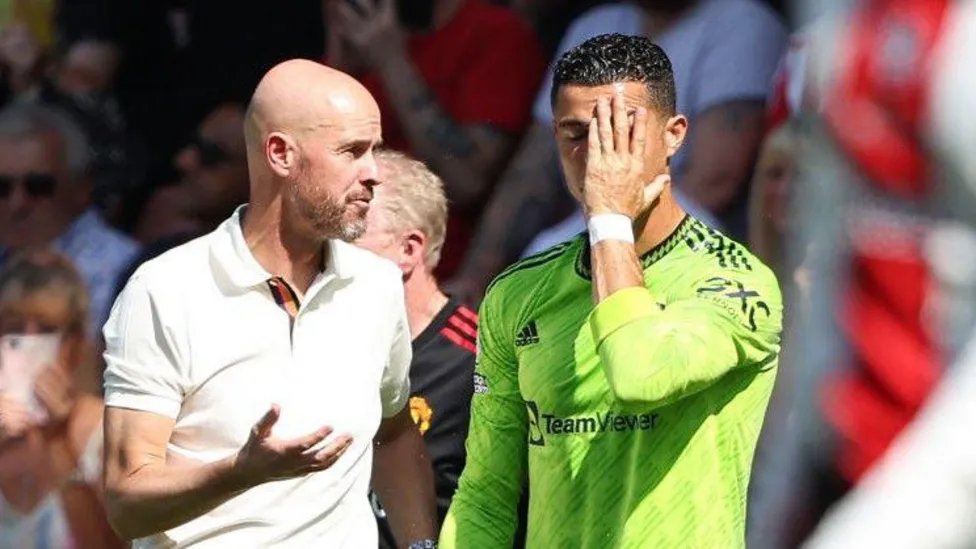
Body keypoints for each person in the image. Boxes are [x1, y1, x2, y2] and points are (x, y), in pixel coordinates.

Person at [439, 34, 783, 548]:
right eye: (577, 134)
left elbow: (641, 372)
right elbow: (486, 493)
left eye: (620, 132)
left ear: (674, 135)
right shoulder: (517, 292)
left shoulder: (735, 280)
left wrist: (608, 218)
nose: (598, 157)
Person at [100, 59, 438, 548]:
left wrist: (421, 545)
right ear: (280, 154)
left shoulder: (376, 284)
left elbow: (395, 432)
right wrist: (240, 473)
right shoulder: (165, 289)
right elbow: (126, 505)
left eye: (375, 150)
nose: (374, 174)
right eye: (352, 151)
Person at [448, 0, 787, 305]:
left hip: (689, 258)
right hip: (582, 240)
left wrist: (608, 240)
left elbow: (715, 182)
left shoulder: (743, 20)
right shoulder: (595, 24)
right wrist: (475, 278)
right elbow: (532, 173)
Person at [324, 0, 546, 278]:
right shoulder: (356, 43)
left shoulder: (496, 34)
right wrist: (338, 64)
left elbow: (466, 178)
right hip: (337, 263)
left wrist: (390, 58)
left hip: (429, 275)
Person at [354, 148, 491, 548]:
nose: (323, 257)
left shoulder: (479, 363)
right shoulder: (317, 346)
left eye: (348, 237)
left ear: (409, 250)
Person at [0, 249, 122, 548]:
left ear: (76, 344)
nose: (29, 345)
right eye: (15, 330)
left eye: (46, 330)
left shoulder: (104, 427)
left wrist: (59, 441)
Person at [0, 102, 140, 337]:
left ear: (81, 189)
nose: (17, 203)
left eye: (38, 186)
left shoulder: (120, 271)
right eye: (2, 187)